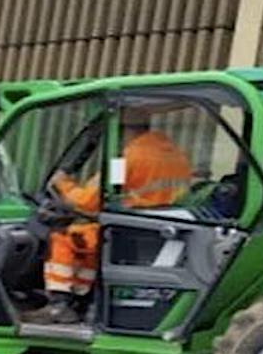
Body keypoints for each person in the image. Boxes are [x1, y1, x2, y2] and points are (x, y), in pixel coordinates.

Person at [26, 112, 193, 324]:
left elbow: (88, 201)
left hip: (127, 229)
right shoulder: (177, 156)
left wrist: (62, 184)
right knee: (89, 233)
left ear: (121, 130)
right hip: (158, 227)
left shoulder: (126, 158)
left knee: (63, 237)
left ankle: (59, 304)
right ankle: (82, 300)